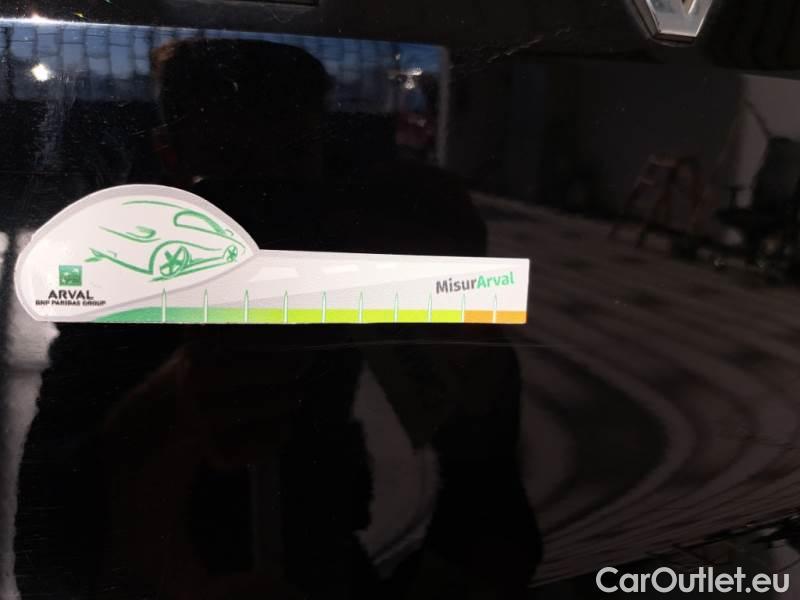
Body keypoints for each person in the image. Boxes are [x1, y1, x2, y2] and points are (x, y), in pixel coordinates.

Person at [16, 37, 540, 599]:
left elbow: (492, 527)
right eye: (230, 164)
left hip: (310, 551)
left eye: (291, 159)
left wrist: (456, 325)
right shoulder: (127, 285)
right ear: (170, 159)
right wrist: (167, 411)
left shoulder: (333, 267)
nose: (265, 200)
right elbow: (53, 540)